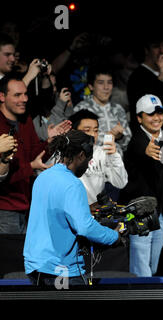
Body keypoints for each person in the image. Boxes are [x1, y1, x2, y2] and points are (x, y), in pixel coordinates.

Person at [23, 130, 120, 286]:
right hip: (60, 269)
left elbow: (55, 215)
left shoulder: (43, 177)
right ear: (81, 155)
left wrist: (87, 209)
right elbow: (85, 227)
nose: (89, 165)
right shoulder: (72, 184)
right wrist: (114, 236)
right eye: (89, 159)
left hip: (35, 267)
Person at [0, 75, 71, 234]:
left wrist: (51, 142)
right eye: (17, 95)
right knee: (7, 257)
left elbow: (34, 156)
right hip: (4, 207)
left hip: (26, 204)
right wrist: (30, 167)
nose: (24, 99)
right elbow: (4, 174)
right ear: (2, 96)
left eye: (25, 94)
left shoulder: (25, 121)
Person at [119, 94, 163, 277]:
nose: (156, 118)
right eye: (151, 114)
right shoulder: (136, 141)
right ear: (139, 118)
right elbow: (139, 149)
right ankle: (141, 294)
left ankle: (145, 285)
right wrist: (147, 151)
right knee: (141, 268)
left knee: (151, 266)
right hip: (138, 212)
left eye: (159, 113)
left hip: (158, 211)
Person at [69, 110, 128, 206]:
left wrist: (114, 156)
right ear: (73, 132)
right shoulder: (63, 155)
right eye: (87, 130)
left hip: (94, 215)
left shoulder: (102, 153)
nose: (93, 135)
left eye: (96, 130)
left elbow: (121, 183)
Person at [73, 64, 132, 157]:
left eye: (109, 82)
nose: (106, 87)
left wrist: (120, 137)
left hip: (117, 165)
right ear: (91, 86)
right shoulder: (81, 109)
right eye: (101, 83)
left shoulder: (118, 109)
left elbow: (128, 142)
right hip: (91, 164)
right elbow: (79, 139)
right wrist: (110, 136)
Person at [127, 39, 163, 130]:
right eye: (156, 47)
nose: (161, 51)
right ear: (147, 50)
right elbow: (149, 105)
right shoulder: (137, 76)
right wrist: (161, 76)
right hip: (146, 133)